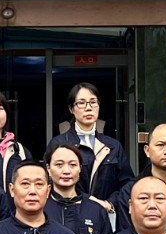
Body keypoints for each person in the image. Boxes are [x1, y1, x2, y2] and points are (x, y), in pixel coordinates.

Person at [45, 83, 135, 213]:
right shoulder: (58, 144)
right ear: (71, 109)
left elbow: (127, 183)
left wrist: (110, 203)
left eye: (93, 102)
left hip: (105, 213)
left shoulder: (113, 146)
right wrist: (89, 200)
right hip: (67, 212)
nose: (88, 108)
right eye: (81, 103)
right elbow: (48, 181)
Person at [43, 142, 111, 234]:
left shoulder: (96, 210)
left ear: (80, 168)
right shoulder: (39, 208)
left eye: (73, 165)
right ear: (48, 169)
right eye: (59, 165)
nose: (66, 171)